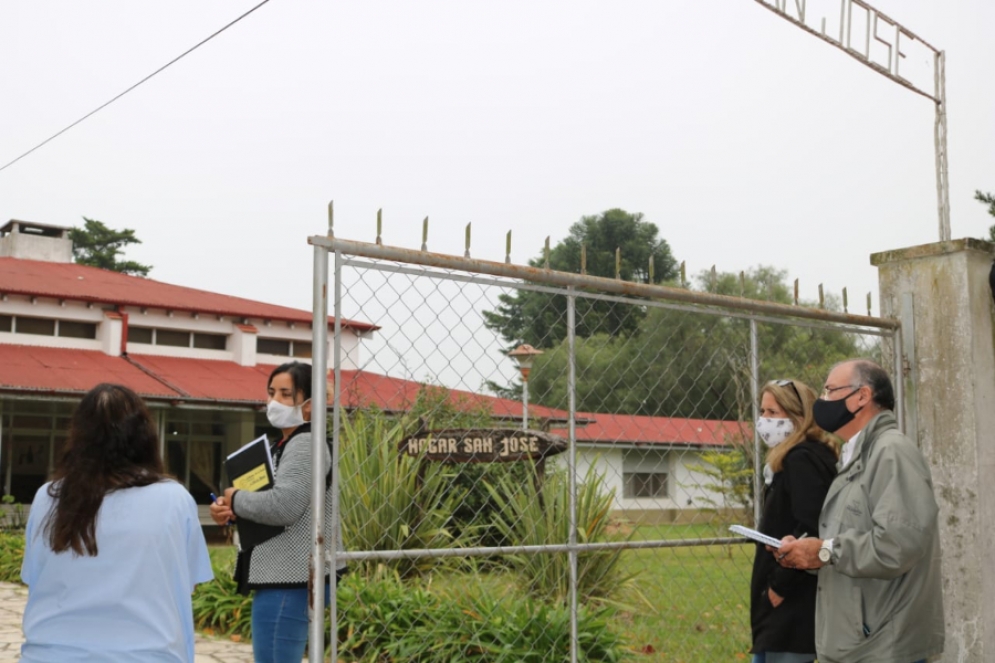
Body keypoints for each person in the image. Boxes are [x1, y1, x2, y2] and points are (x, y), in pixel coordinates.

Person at [20, 383, 213, 663]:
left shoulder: (48, 497)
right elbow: (188, 582)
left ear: (78, 436)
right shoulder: (175, 498)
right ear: (145, 436)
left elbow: (34, 577)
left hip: (50, 654)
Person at [776, 359, 944, 663]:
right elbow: (848, 540)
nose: (822, 402)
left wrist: (825, 551)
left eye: (829, 391)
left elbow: (897, 545)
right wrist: (807, 552)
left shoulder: (891, 452)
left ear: (862, 397)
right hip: (858, 645)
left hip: (881, 648)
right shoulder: (857, 457)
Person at [210, 361, 346, 663]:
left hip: (289, 580)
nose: (275, 401)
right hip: (290, 578)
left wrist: (236, 500)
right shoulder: (284, 444)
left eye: (286, 394)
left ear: (309, 405)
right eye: (271, 392)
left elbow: (285, 506)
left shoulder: (304, 443)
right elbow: (273, 503)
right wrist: (232, 510)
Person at [749, 379, 838, 663]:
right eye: (762, 411)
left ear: (799, 417)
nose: (764, 420)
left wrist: (779, 586)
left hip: (792, 603)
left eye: (773, 413)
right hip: (791, 600)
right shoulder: (798, 457)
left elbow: (812, 526)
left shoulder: (801, 460)